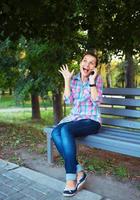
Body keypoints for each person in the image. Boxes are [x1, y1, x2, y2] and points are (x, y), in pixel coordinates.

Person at [52, 51, 103, 197]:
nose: (87, 64)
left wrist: (92, 81)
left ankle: (70, 179)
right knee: (56, 132)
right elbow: (68, 101)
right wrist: (67, 80)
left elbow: (96, 101)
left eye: (91, 62)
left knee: (65, 130)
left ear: (94, 67)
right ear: (81, 63)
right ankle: (80, 171)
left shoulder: (97, 79)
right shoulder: (73, 80)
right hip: (75, 118)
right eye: (85, 61)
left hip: (91, 120)